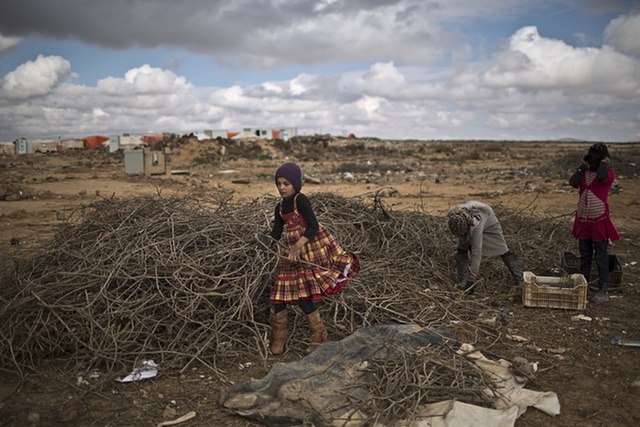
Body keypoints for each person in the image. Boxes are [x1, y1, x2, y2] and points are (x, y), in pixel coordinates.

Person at [264, 162, 360, 355]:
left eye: (286, 183)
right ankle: (279, 340)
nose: (281, 187)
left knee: (304, 298)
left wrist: (297, 246)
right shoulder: (280, 206)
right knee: (279, 299)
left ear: (295, 185)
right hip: (290, 257)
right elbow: (276, 232)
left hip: (309, 251)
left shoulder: (301, 200)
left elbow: (313, 226)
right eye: (279, 183)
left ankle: (319, 336)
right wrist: (262, 241)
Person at [569, 143, 619, 303]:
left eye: (596, 159)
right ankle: (584, 286)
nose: (593, 161)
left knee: (601, 256)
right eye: (590, 158)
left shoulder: (608, 173)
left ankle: (602, 289)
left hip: (599, 221)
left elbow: (603, 178)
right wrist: (581, 168)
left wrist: (603, 165)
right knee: (585, 255)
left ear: (603, 160)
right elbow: (573, 182)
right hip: (583, 220)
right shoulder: (584, 174)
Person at [447, 201, 524, 293]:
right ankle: (463, 280)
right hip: (467, 219)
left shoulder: (476, 223)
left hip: (487, 216)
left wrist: (471, 280)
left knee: (502, 248)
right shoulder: (454, 215)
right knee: (461, 248)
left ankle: (520, 280)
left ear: (468, 227)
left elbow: (476, 253)